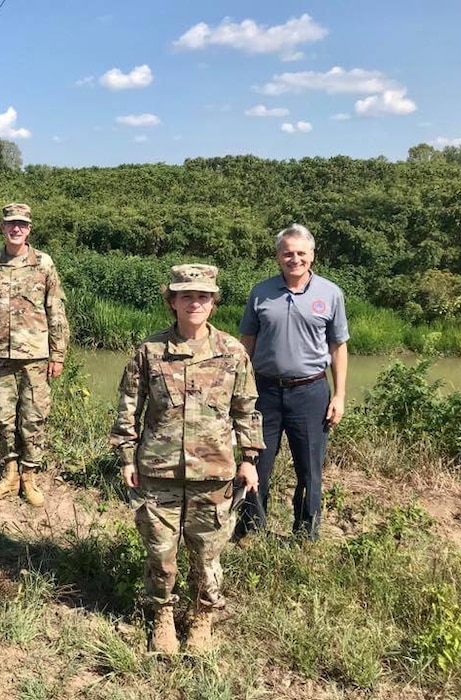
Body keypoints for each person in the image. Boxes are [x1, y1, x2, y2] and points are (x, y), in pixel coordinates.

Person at [110, 264, 264, 655]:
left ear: (214, 302)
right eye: (186, 296)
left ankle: (201, 618)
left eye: (203, 296)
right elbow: (129, 408)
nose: (195, 303)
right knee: (161, 553)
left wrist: (249, 459)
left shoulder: (232, 352)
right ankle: (162, 615)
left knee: (206, 555)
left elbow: (247, 410)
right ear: (172, 302)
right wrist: (127, 456)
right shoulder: (150, 352)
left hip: (213, 473)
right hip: (158, 470)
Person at [236, 223, 349, 542]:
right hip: (264, 393)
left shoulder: (330, 293)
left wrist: (339, 395)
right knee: (256, 464)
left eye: (301, 253)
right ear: (277, 257)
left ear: (312, 255)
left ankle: (305, 535)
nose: (294, 258)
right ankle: (250, 532)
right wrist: (238, 392)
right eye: (287, 253)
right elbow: (247, 342)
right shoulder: (261, 292)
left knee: (309, 471)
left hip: (311, 392)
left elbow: (338, 347)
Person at [0, 203, 69, 507]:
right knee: (3, 416)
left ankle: (30, 476)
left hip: (35, 356)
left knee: (34, 416)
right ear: (2, 227)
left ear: (29, 229)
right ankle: (9, 474)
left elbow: (56, 308)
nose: (16, 229)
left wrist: (58, 353)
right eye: (11, 223)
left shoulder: (44, 264)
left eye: (22, 224)